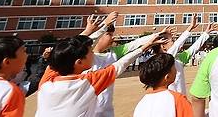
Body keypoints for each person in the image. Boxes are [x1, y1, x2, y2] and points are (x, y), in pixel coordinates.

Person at [35, 34, 164, 117]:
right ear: (79, 62)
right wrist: (145, 47)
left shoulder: (46, 81)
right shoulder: (87, 82)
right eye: (90, 52)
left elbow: (63, 53)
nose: (93, 53)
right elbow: (120, 65)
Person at [88, 13, 172, 117]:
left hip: (106, 110)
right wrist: (104, 24)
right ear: (99, 36)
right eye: (109, 35)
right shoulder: (85, 56)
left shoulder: (114, 53)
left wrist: (158, 34)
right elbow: (84, 42)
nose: (112, 38)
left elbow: (136, 43)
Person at [154, 14, 215, 95]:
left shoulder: (178, 59)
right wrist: (190, 28)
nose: (174, 42)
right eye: (171, 41)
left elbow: (193, 49)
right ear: (163, 46)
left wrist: (206, 33)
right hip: (169, 99)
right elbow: (177, 45)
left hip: (181, 97)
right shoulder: (162, 60)